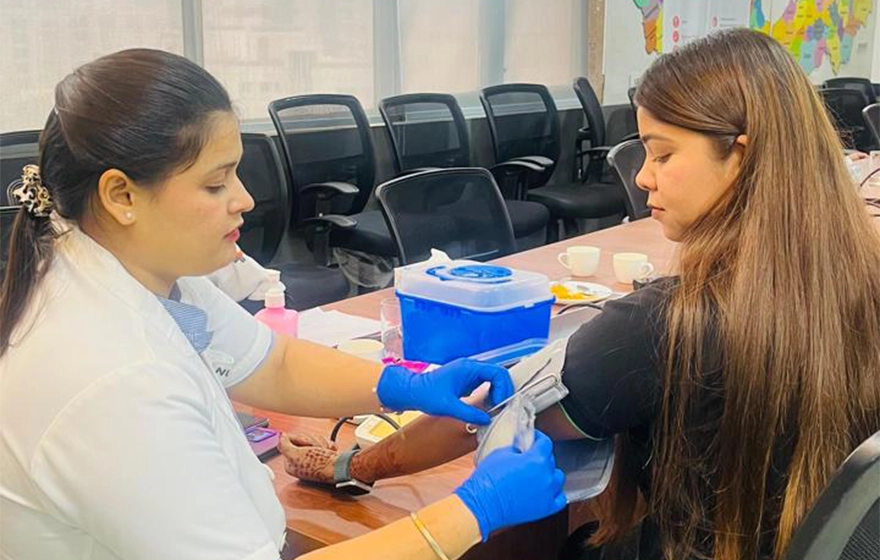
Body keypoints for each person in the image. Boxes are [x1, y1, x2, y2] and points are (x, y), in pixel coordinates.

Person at [280, 29, 880, 560]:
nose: (642, 176)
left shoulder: (668, 324)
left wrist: (353, 464)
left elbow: (494, 411)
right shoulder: (861, 280)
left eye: (663, 153)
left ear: (741, 158)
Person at [0, 49, 566, 560]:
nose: (245, 199)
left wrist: (405, 385)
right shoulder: (113, 381)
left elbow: (273, 363)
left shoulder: (142, 272)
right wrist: (471, 512)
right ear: (121, 195)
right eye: (216, 184)